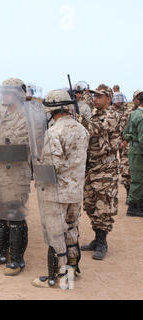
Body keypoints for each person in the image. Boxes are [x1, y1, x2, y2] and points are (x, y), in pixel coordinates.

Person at [0, 78, 38, 276]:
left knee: (15, 215)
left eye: (7, 92)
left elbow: (19, 147)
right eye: (2, 92)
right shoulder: (2, 114)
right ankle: (0, 254)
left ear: (17, 94)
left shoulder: (24, 116)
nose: (3, 96)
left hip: (15, 174)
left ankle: (17, 259)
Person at [31, 89, 89, 288]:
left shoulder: (53, 132)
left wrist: (36, 163)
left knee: (55, 234)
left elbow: (50, 166)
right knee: (72, 229)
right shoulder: (82, 129)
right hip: (75, 191)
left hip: (56, 192)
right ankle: (73, 266)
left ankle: (58, 276)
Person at [81, 84, 119, 260]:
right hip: (92, 167)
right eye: (94, 96)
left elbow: (94, 130)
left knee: (103, 206)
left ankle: (102, 242)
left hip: (105, 169)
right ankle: (96, 239)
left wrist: (83, 113)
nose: (95, 99)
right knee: (90, 203)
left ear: (108, 99)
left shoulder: (112, 115)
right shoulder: (95, 115)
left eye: (99, 97)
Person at [123, 92, 143, 217]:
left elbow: (125, 133)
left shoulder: (134, 114)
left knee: (138, 178)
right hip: (139, 152)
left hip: (134, 150)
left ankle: (138, 205)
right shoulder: (141, 117)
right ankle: (134, 207)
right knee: (138, 180)